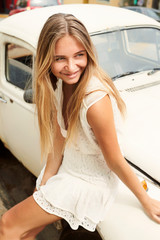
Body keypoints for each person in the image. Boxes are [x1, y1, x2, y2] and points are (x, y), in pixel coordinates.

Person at [0, 13, 160, 240]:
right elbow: (58, 140)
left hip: (89, 182)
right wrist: (44, 182)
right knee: (25, 232)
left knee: (7, 224)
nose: (71, 67)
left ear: (88, 53)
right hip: (68, 171)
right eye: (60, 58)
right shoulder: (59, 86)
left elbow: (114, 159)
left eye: (79, 55)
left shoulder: (94, 101)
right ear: (47, 59)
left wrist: (146, 200)